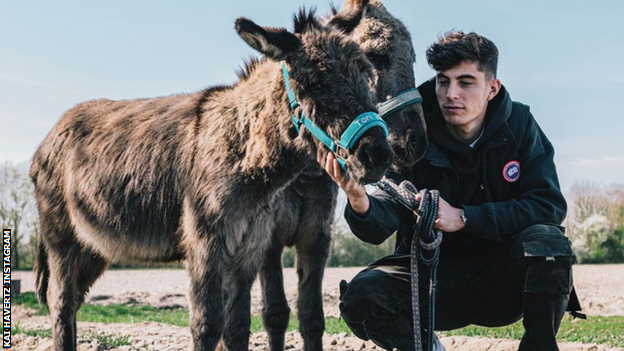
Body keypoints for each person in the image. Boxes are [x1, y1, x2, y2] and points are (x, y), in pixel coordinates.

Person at [318, 31, 583, 351]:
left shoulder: (521, 124)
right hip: (430, 282)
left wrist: (465, 217)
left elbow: (547, 205)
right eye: (443, 81)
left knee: (549, 242)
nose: (451, 93)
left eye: (466, 82)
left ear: (492, 88)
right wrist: (359, 201)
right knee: (361, 297)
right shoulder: (412, 130)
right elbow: (388, 210)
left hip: (503, 279)